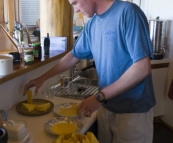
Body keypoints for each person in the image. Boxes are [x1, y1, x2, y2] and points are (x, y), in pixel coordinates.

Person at [23, 0, 156, 143]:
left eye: (75, 3)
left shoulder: (128, 13)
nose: (76, 10)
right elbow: (74, 55)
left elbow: (142, 67)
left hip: (132, 112)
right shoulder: (92, 25)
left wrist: (100, 96)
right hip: (106, 108)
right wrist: (42, 78)